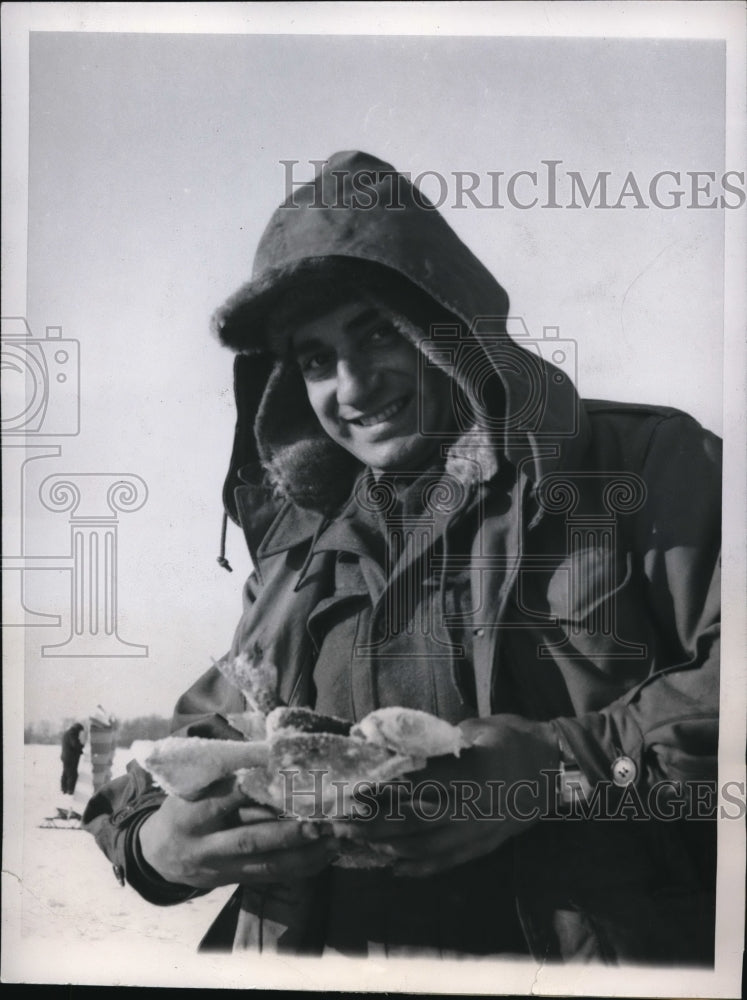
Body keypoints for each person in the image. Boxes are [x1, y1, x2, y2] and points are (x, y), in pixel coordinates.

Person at [83, 151, 720, 964]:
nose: (348, 386)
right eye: (314, 358)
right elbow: (207, 733)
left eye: (377, 332)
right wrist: (151, 844)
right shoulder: (302, 555)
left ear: (448, 326)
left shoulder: (638, 466)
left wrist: (554, 766)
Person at [60, 722, 85, 796]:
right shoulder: (72, 733)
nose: (80, 733)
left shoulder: (67, 733)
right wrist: (81, 746)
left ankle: (64, 788)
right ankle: (70, 790)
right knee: (72, 774)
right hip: (71, 758)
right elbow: (75, 744)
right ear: (77, 729)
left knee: (66, 773)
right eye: (80, 731)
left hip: (65, 757)